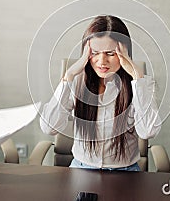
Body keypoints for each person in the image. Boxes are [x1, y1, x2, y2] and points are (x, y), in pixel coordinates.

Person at [40, 15, 161, 171]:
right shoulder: (76, 81)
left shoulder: (141, 85)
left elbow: (148, 131)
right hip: (81, 168)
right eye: (95, 52)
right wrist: (68, 75)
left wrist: (138, 79)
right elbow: (49, 127)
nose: (102, 61)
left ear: (125, 52)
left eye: (110, 53)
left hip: (126, 171)